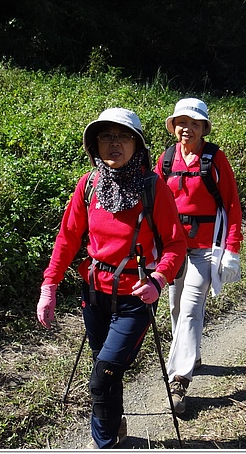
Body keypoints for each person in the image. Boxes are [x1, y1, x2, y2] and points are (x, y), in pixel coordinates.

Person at [36, 107, 187, 449]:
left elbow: (176, 243)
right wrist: (50, 286)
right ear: (95, 145)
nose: (113, 143)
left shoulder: (153, 188)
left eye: (122, 136)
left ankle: (103, 445)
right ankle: (114, 426)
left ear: (138, 144)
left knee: (101, 376)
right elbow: (68, 237)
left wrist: (158, 280)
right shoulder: (89, 184)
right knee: (106, 370)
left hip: (135, 299)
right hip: (94, 295)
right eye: (105, 136)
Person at [156, 98, 243, 415]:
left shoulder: (215, 158)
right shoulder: (166, 159)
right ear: (174, 126)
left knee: (191, 308)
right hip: (174, 247)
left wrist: (232, 248)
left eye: (194, 123)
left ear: (204, 128)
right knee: (176, 307)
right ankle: (192, 356)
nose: (186, 128)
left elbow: (232, 204)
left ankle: (179, 379)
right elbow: (154, 200)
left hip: (207, 248)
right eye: (181, 122)